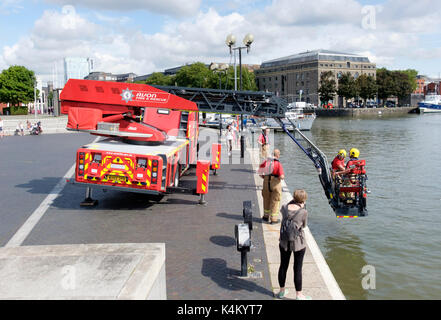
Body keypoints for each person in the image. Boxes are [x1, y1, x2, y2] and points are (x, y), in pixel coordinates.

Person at [276, 189, 311, 300]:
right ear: (303, 200)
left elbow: (286, 207)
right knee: (297, 268)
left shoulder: (284, 208)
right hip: (298, 243)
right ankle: (299, 295)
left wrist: (294, 201)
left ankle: (281, 292)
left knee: (283, 266)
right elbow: (304, 225)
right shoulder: (303, 212)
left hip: (284, 241)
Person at [258, 149, 284, 224]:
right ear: (278, 155)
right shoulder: (278, 164)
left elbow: (260, 172)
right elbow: (282, 176)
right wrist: (278, 178)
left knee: (266, 199)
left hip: (266, 183)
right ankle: (273, 219)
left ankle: (266, 216)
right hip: (275, 184)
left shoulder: (266, 162)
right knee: (275, 201)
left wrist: (264, 177)